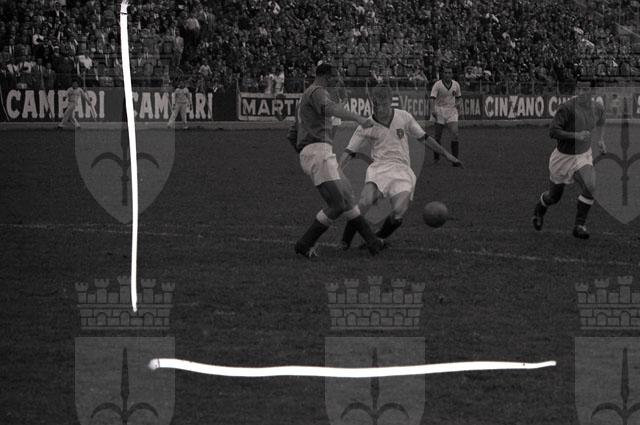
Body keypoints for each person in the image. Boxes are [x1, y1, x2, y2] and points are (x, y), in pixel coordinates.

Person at [339, 85, 462, 249]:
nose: (381, 108)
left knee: (398, 212)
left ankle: (376, 239)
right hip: (379, 169)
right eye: (377, 104)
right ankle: (345, 241)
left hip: (403, 171)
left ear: (391, 101)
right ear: (372, 102)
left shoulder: (403, 117)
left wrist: (447, 154)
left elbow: (424, 137)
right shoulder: (365, 125)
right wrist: (337, 171)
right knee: (364, 202)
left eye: (384, 104)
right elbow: (349, 151)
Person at [287, 62, 384, 258]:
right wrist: (358, 118)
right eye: (336, 76)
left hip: (318, 151)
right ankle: (304, 244)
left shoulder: (306, 96)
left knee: (348, 198)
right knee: (338, 204)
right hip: (318, 151)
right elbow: (329, 108)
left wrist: (305, 153)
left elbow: (292, 134)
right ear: (327, 76)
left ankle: (372, 242)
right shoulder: (317, 91)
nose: (338, 80)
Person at [532, 81, 607, 239]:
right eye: (579, 89)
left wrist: (601, 140)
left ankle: (579, 225)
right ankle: (539, 209)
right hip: (562, 158)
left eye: (586, 89)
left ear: (592, 92)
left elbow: (602, 119)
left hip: (582, 156)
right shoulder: (567, 108)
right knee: (554, 197)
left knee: (590, 185)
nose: (582, 92)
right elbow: (553, 131)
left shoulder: (597, 107)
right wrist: (576, 135)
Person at [429, 66, 462, 165]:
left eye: (449, 73)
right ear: (443, 74)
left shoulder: (456, 84)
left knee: (455, 134)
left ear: (452, 74)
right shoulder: (437, 85)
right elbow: (432, 98)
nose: (447, 74)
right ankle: (436, 158)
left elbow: (459, 97)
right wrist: (432, 110)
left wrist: (458, 103)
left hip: (452, 111)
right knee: (437, 136)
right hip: (439, 111)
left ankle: (455, 160)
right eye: (446, 73)